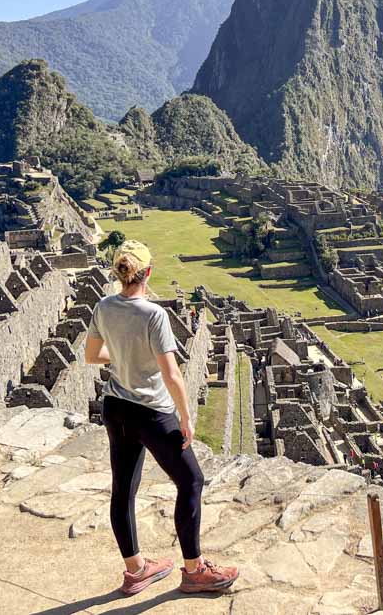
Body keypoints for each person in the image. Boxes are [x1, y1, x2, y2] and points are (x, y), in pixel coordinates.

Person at [84, 240, 238, 597]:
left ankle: (136, 569)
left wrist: (123, 355)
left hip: (116, 407)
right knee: (191, 481)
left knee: (123, 489)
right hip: (152, 411)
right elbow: (172, 374)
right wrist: (186, 417)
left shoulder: (104, 306)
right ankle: (194, 569)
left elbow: (93, 356)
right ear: (147, 272)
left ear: (118, 272)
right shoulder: (153, 314)